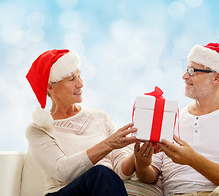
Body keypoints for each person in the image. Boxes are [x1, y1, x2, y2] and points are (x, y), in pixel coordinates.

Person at [134, 43, 219, 196]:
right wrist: (142, 166)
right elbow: (150, 175)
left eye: (192, 71)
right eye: (186, 70)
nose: (185, 76)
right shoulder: (171, 117)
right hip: (177, 194)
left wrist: (193, 160)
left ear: (216, 78)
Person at [25, 49, 137, 196]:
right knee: (100, 173)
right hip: (63, 192)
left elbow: (121, 171)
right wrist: (108, 144)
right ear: (51, 88)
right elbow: (61, 171)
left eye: (79, 76)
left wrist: (138, 155)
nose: (80, 84)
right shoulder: (39, 129)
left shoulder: (100, 117)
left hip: (103, 189)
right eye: (72, 79)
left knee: (103, 175)